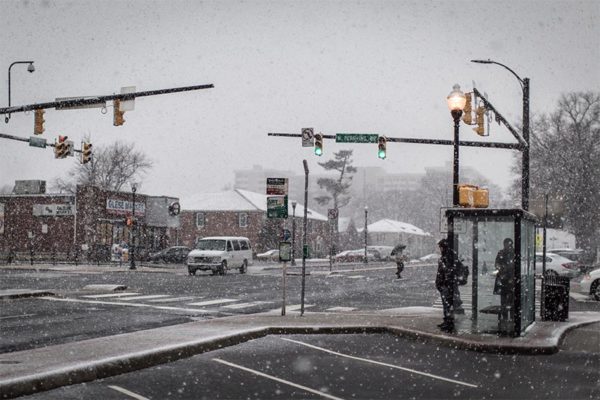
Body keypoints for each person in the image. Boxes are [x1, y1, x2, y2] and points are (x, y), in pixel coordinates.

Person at [436, 239, 457, 332]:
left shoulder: (447, 257)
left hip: (446, 285)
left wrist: (444, 283)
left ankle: (449, 322)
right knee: (446, 305)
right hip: (443, 284)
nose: (439, 249)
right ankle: (446, 321)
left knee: (447, 305)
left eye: (440, 247)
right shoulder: (445, 256)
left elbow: (447, 272)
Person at [495, 238, 515, 331]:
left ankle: (511, 316)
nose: (507, 247)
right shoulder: (501, 253)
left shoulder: (513, 253)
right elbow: (497, 264)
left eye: (508, 245)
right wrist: (502, 268)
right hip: (504, 280)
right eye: (506, 245)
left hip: (511, 279)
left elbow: (516, 265)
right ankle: (505, 317)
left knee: (511, 300)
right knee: (504, 299)